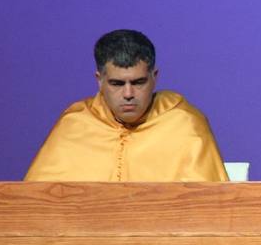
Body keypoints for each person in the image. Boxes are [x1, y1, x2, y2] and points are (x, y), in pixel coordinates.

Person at [25, 29, 228, 182]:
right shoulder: (74, 125)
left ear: (154, 77)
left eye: (139, 82)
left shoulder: (185, 124)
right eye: (117, 84)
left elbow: (210, 213)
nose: (129, 94)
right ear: (100, 80)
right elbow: (34, 210)